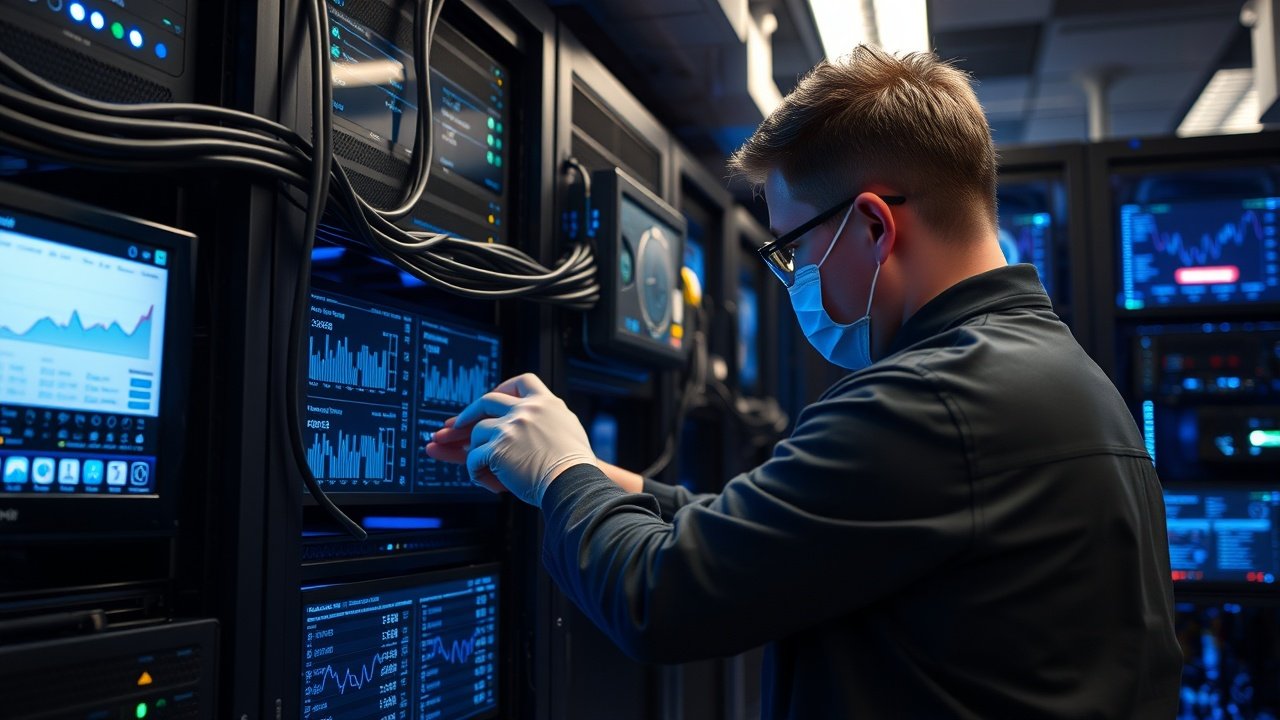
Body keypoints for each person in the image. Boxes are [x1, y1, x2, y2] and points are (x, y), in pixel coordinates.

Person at [426, 45, 1182, 719]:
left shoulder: (932, 400)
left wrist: (560, 473)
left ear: (874, 226)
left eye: (791, 249)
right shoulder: (1056, 374)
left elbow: (658, 598)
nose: (791, 276)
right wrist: (600, 476)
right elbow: (792, 530)